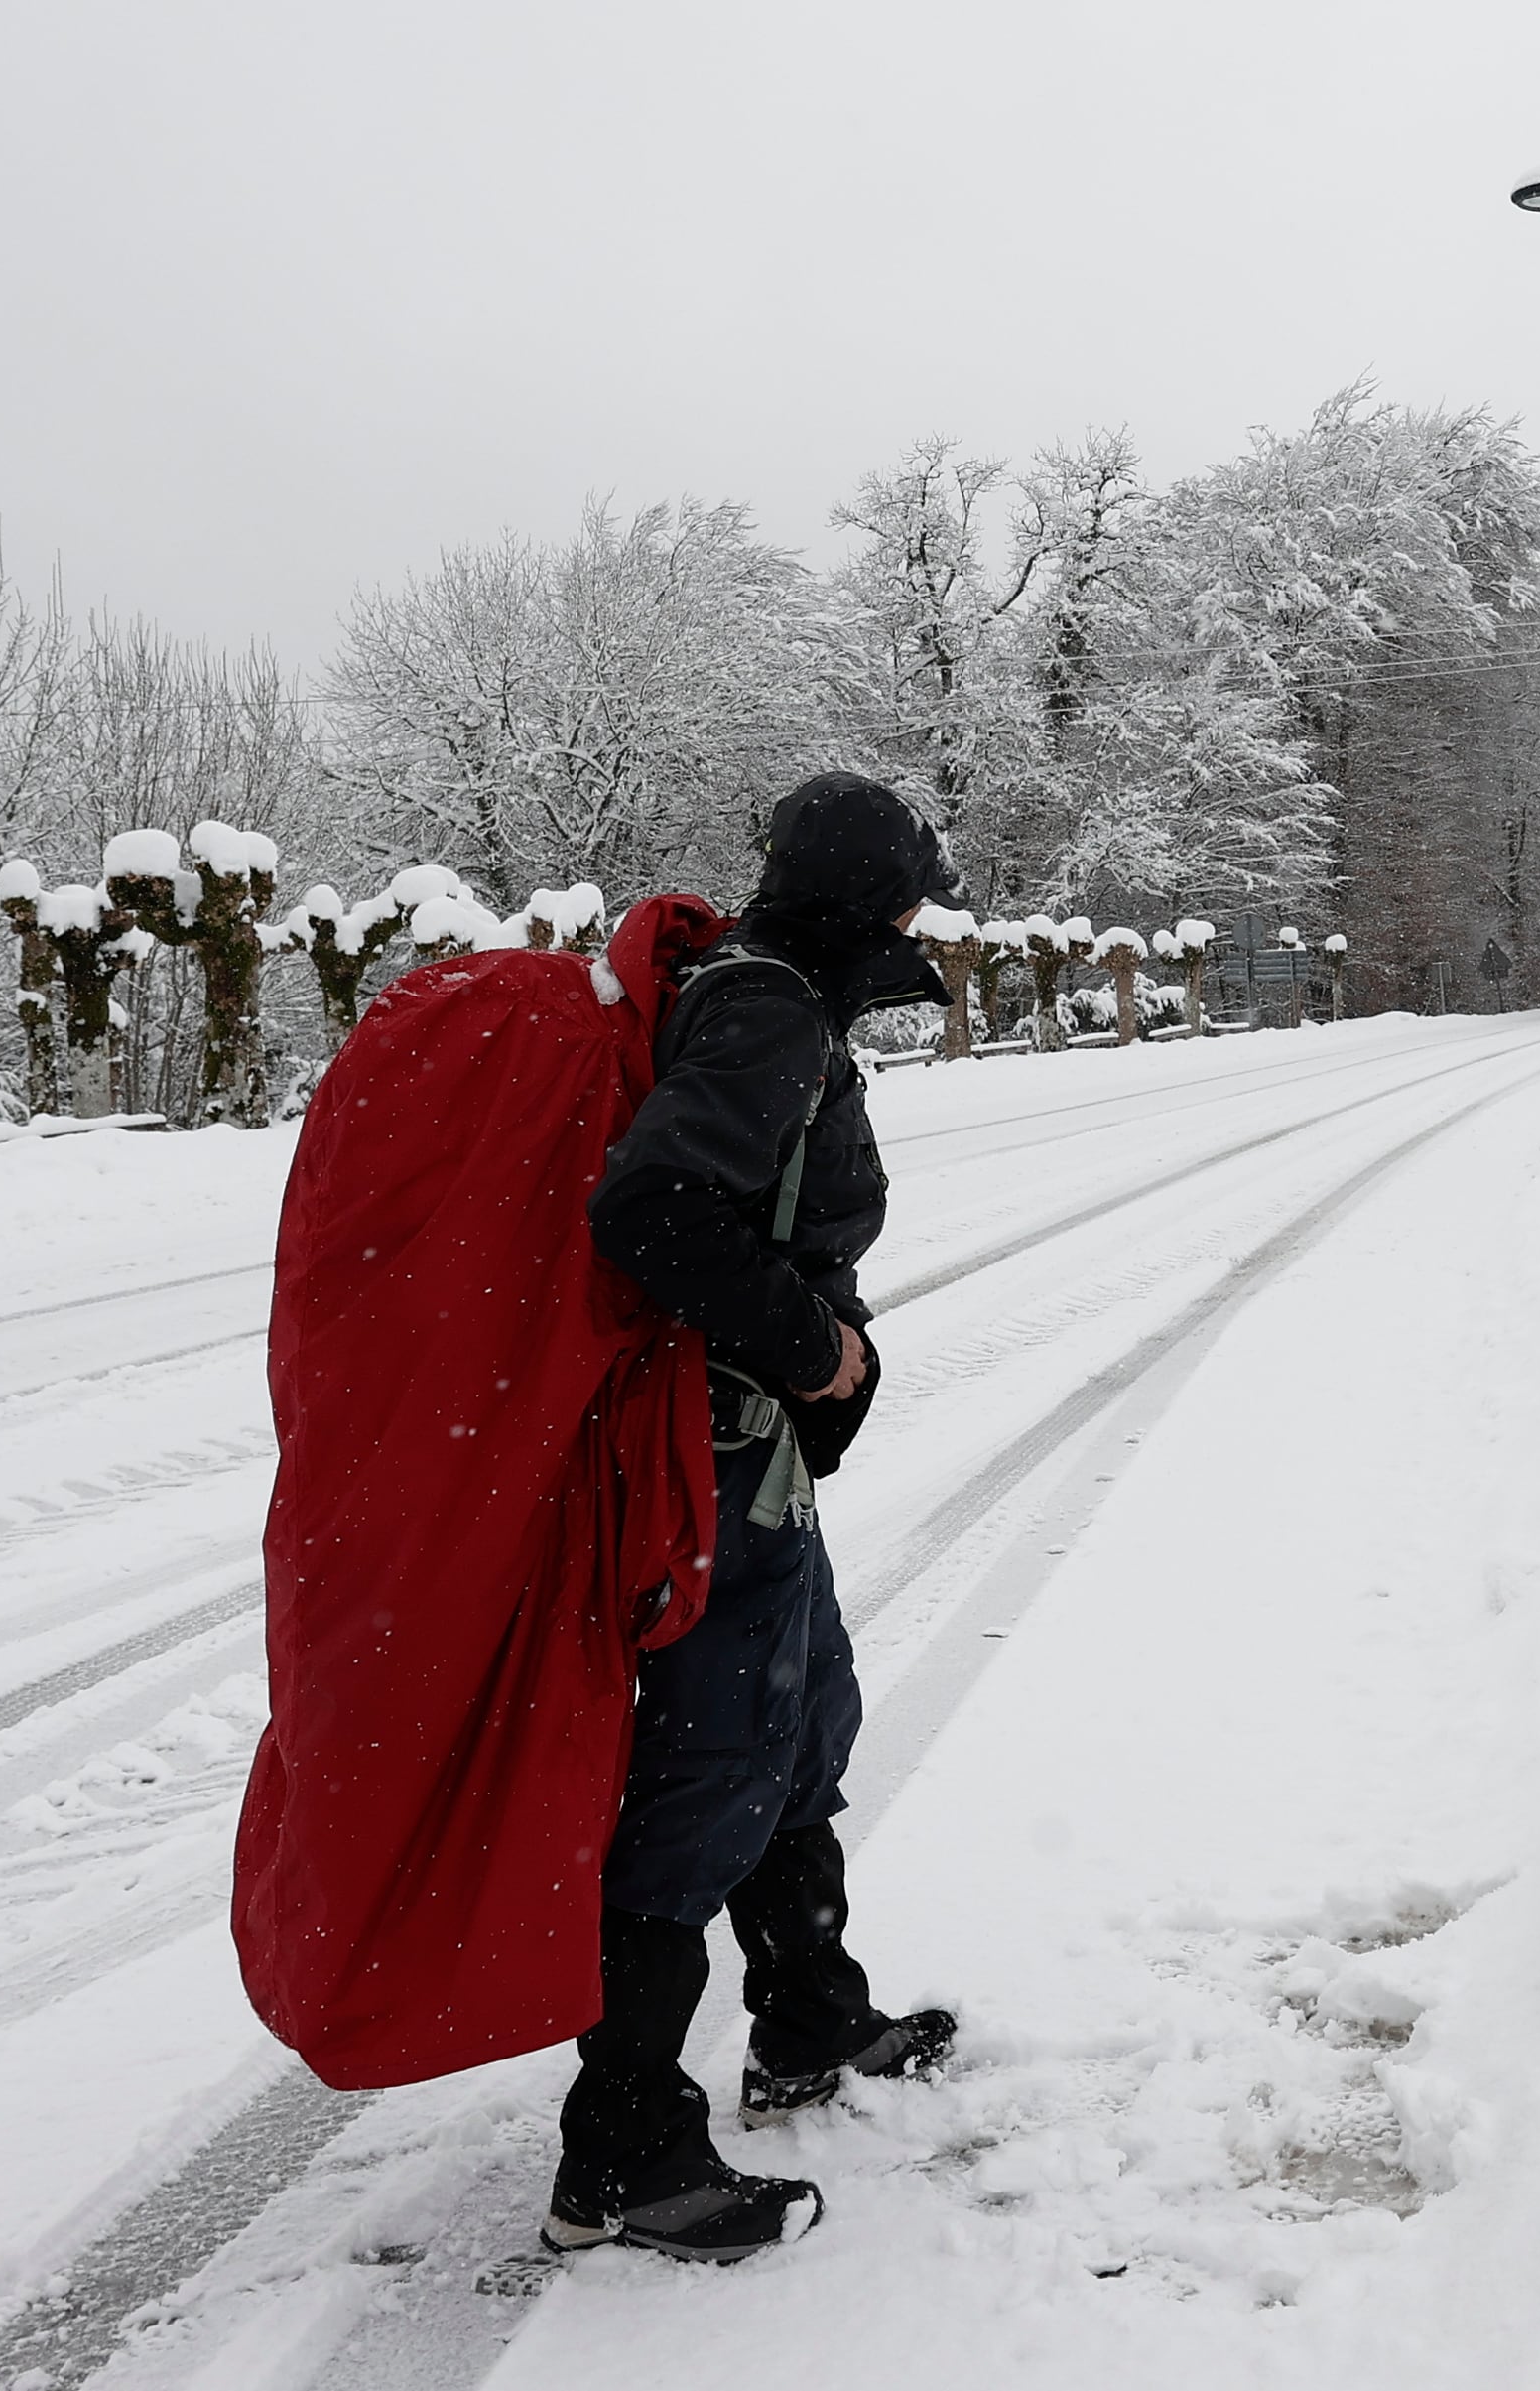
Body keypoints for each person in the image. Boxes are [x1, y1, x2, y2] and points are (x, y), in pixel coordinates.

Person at [547, 772, 964, 2264]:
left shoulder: (772, 992)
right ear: (875, 896)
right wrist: (814, 1346)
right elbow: (652, 1210)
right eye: (914, 887)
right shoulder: (770, 1008)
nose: (923, 915)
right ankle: (623, 2153)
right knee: (709, 1773)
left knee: (801, 1729)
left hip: (754, 1460)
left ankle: (806, 2018)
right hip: (719, 1463)